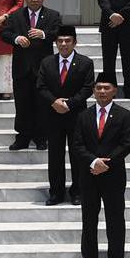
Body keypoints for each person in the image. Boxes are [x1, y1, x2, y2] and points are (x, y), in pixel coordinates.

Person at [71, 76, 130, 258]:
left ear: (114, 90)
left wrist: (106, 163)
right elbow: (77, 144)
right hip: (89, 174)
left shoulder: (124, 115)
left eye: (107, 88)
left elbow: (126, 144)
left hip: (113, 174)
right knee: (89, 219)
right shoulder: (83, 115)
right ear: (94, 90)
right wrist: (93, 162)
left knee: (115, 218)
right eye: (99, 88)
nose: (102, 91)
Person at [39, 26, 95, 205]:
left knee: (77, 155)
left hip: (76, 116)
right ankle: (56, 192)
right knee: (55, 156)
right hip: (53, 115)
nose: (63, 44)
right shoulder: (47, 62)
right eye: (60, 41)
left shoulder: (85, 62)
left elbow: (87, 88)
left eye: (67, 41)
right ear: (55, 43)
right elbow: (41, 86)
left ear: (75, 42)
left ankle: (77, 191)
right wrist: (54, 102)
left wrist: (69, 104)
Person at [1, 0, 60, 150]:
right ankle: (22, 137)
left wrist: (43, 34)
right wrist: (16, 39)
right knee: (22, 103)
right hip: (22, 67)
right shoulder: (15, 15)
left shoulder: (52, 15)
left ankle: (41, 137)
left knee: (42, 103)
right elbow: (4, 33)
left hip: (43, 68)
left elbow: (58, 32)